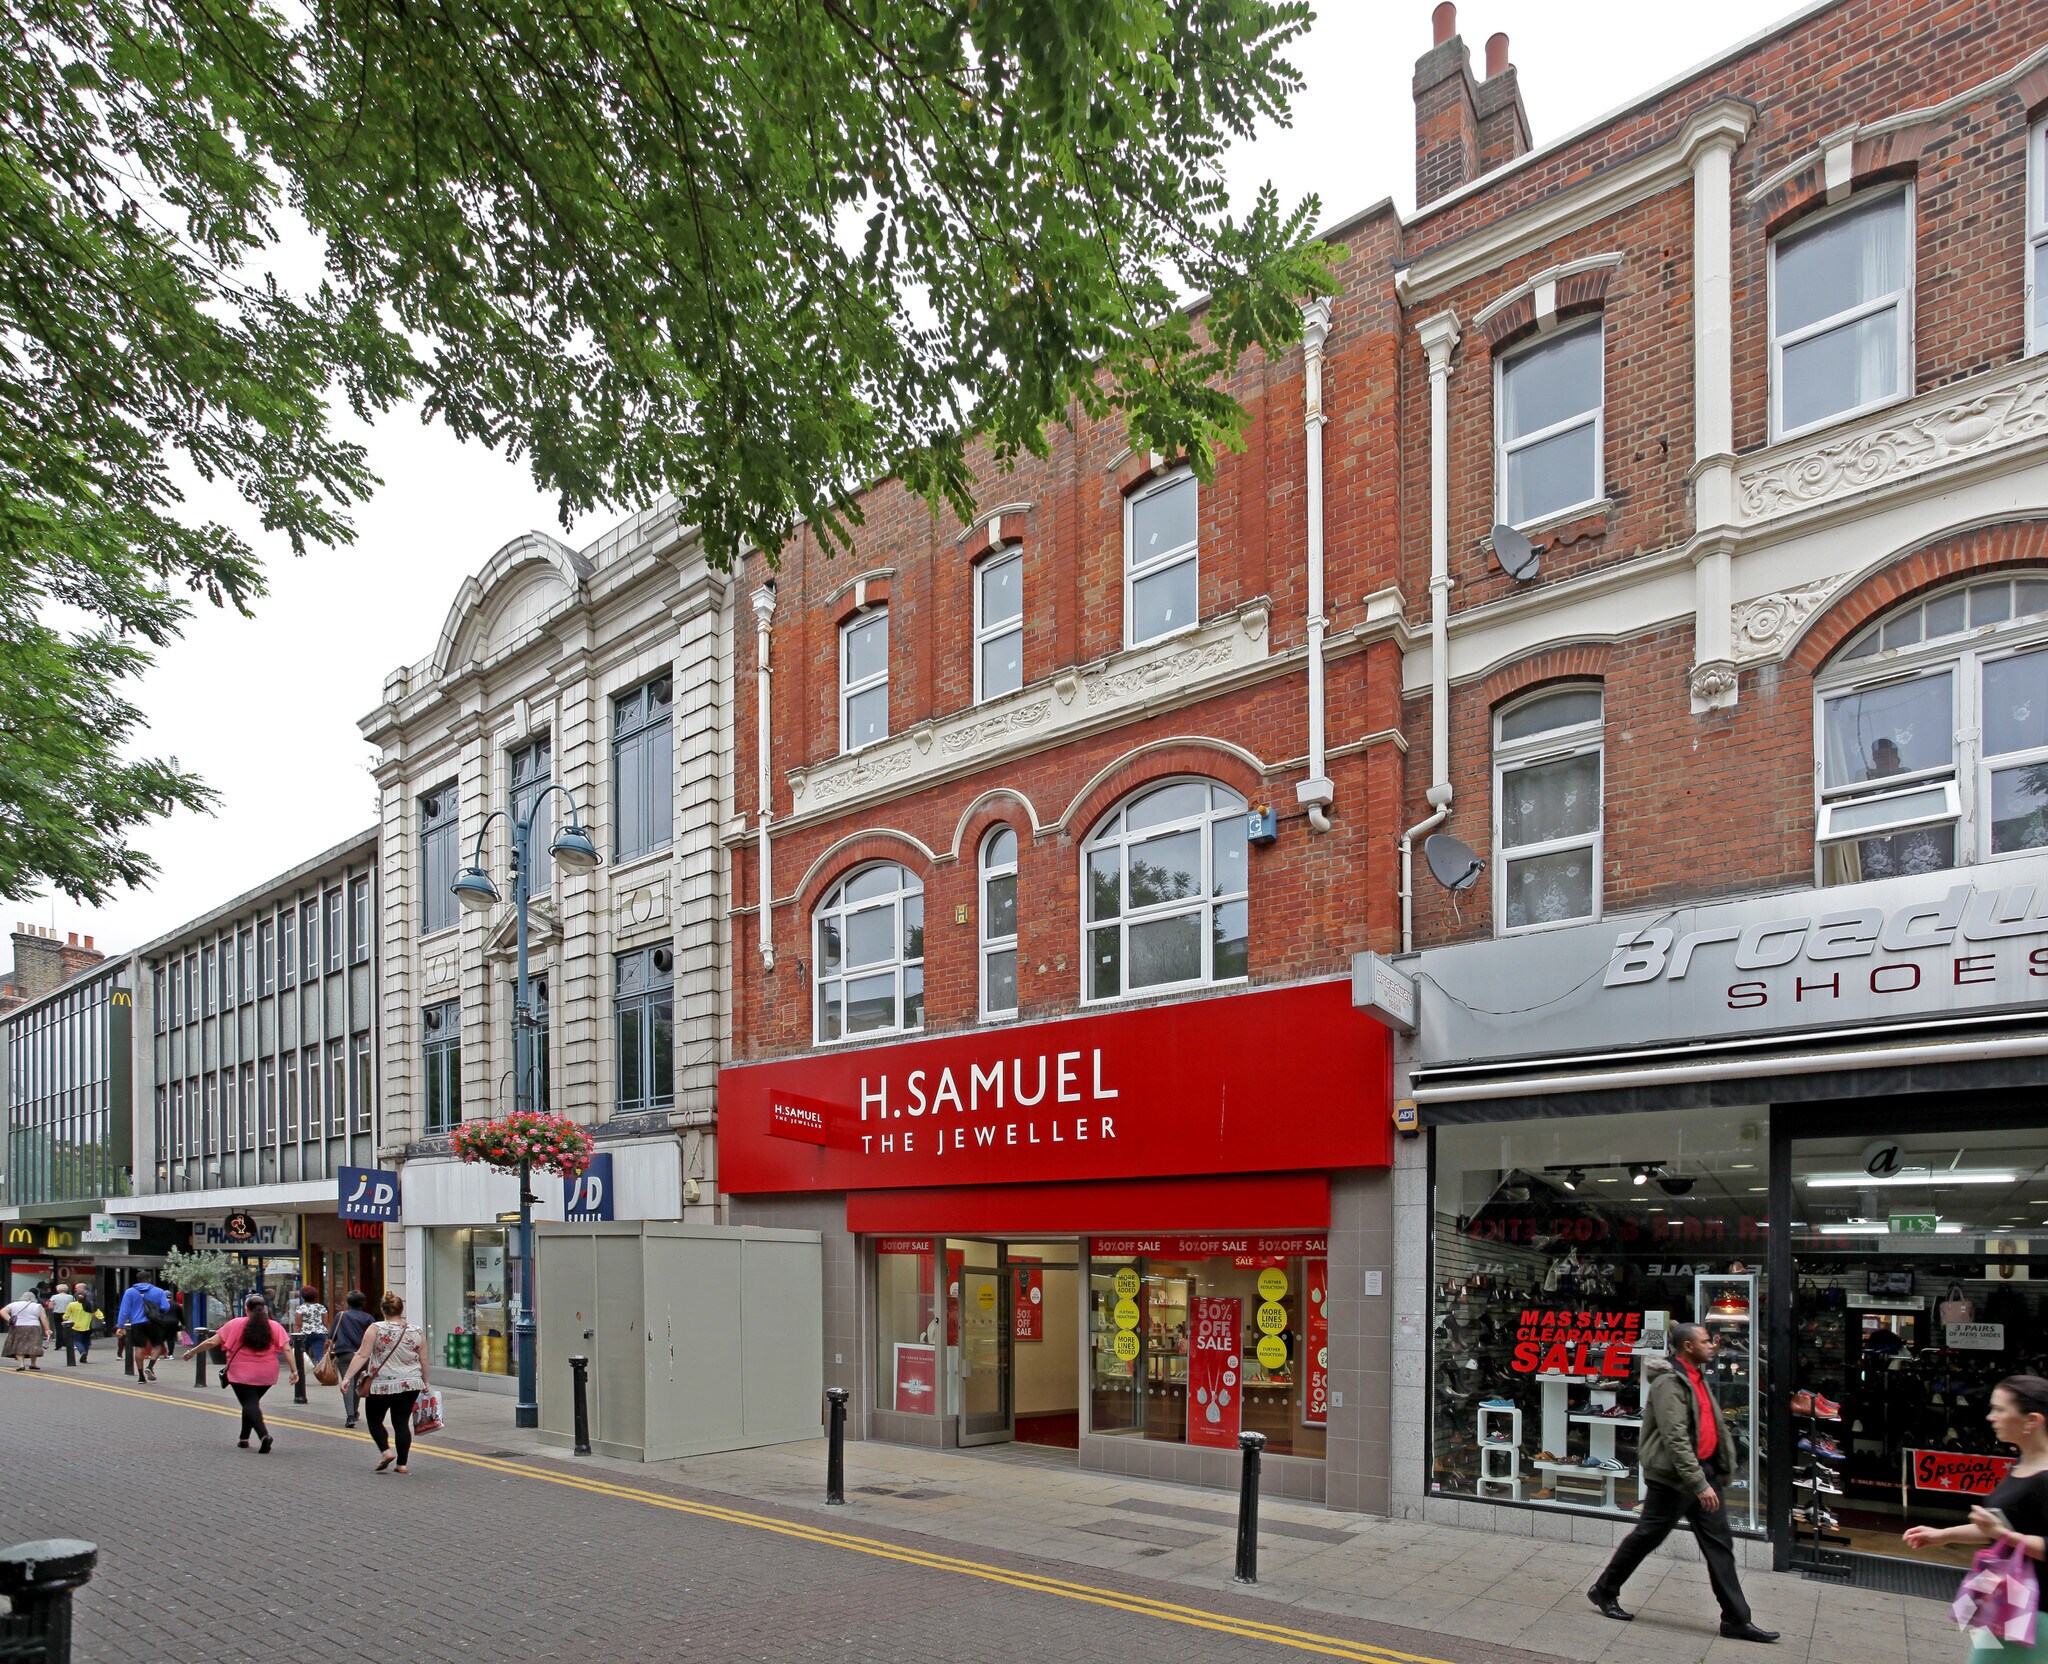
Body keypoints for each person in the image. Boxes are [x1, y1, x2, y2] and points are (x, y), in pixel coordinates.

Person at [1588, 1323, 1778, 1643]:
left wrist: (1718, 1469)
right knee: (1648, 1534)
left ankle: (1736, 1619)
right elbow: (1675, 1437)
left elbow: (1708, 1426)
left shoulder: (1697, 1378)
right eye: (1705, 1342)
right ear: (1688, 1347)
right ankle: (1604, 1590)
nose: (1712, 1346)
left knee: (1720, 1546)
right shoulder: (1668, 1382)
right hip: (1675, 1478)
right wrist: (1698, 1482)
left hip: (1703, 1474)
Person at [1906, 1374, 2048, 1659]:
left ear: (2032, 1420)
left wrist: (2003, 1534)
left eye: (1999, 1409)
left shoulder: (2044, 1477)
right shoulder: (2023, 1463)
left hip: (2033, 1612)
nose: (1990, 1416)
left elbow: (2005, 1532)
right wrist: (1941, 1536)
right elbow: (1998, 1525)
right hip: (2008, 1604)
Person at [184, 1293, 298, 1452]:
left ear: (246, 1309)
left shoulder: (235, 1324)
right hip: (267, 1373)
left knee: (249, 1403)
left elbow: (211, 1342)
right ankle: (243, 1438)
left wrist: (192, 1352)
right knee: (251, 1403)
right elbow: (286, 1348)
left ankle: (264, 1435)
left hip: (241, 1372)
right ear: (264, 1309)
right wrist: (294, 1370)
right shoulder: (275, 1326)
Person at [338, 1291, 430, 1474]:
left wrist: (347, 1377)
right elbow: (424, 1359)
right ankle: (402, 1465)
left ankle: (386, 1452)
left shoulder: (375, 1328)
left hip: (381, 1384)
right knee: (401, 1424)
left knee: (374, 1420)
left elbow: (363, 1354)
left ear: (383, 1310)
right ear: (402, 1309)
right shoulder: (417, 1330)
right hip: (410, 1383)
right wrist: (426, 1383)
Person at [115, 1275, 175, 1382]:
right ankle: (150, 1366)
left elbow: (125, 1310)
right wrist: (157, 1311)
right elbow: (165, 1307)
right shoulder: (159, 1291)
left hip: (137, 1323)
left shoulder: (130, 1292)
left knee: (139, 1348)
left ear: (138, 1280)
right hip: (153, 1322)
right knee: (157, 1345)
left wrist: (120, 1326)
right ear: (150, 1279)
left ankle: (141, 1376)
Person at [329, 1289, 375, 1429]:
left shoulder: (341, 1315)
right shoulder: (368, 1318)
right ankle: (354, 1412)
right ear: (363, 1302)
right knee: (358, 1384)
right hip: (362, 1355)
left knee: (347, 1382)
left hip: (344, 1353)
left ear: (348, 1302)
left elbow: (332, 1335)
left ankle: (350, 1415)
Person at [1, 1292, 52, 1371]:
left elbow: (2, 1311)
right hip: (33, 1327)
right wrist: (47, 1329)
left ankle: (21, 1365)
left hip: (17, 1326)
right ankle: (33, 1364)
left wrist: (10, 1320)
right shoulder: (38, 1306)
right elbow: (43, 1318)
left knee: (18, 1345)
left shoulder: (14, 1304)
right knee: (33, 1345)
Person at [290, 1285, 330, 1366]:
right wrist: (329, 1336)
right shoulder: (321, 1307)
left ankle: (302, 1372)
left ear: (303, 1297)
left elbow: (298, 1325)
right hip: (320, 1333)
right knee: (319, 1354)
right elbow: (325, 1323)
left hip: (305, 1334)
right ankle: (323, 1370)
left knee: (302, 1355)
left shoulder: (301, 1308)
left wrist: (294, 1338)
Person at [64, 1285, 103, 1362]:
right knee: (86, 1342)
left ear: (76, 1297)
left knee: (77, 1341)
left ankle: (82, 1352)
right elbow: (99, 1314)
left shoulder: (72, 1305)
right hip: (88, 1326)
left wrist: (65, 1319)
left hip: (76, 1326)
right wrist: (101, 1320)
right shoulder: (91, 1304)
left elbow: (66, 1316)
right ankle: (85, 1357)